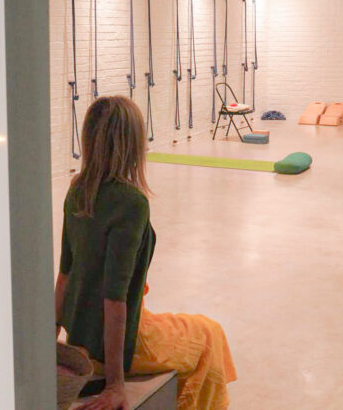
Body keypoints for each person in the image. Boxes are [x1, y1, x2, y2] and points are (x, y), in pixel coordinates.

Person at [55, 96, 237, 410]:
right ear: (132, 144)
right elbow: (115, 300)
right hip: (121, 344)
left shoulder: (77, 189)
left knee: (190, 327)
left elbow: (64, 276)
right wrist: (115, 384)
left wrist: (50, 344)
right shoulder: (131, 203)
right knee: (210, 335)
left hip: (82, 337)